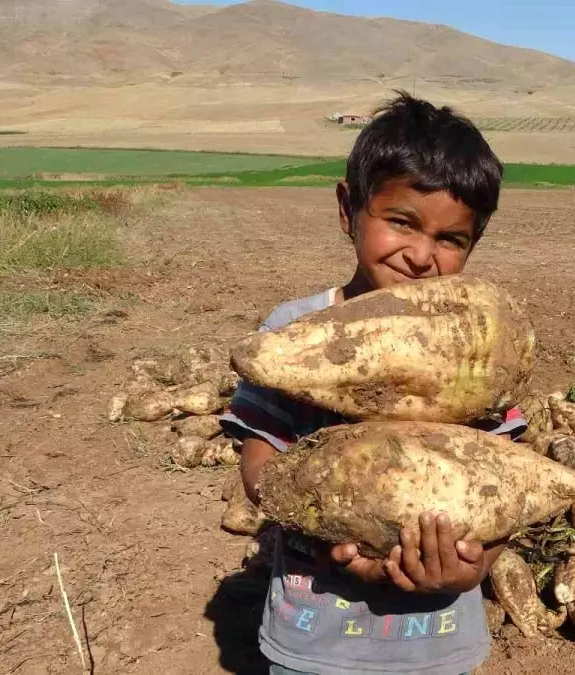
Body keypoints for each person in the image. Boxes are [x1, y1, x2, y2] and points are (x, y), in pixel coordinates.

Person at [219, 91, 525, 675]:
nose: (420, 255)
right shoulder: (294, 333)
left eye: (450, 239)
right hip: (314, 642)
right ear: (347, 209)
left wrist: (476, 566)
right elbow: (259, 459)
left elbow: (499, 482)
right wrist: (332, 512)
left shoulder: (480, 349)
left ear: (473, 243)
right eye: (401, 222)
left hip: (437, 639)